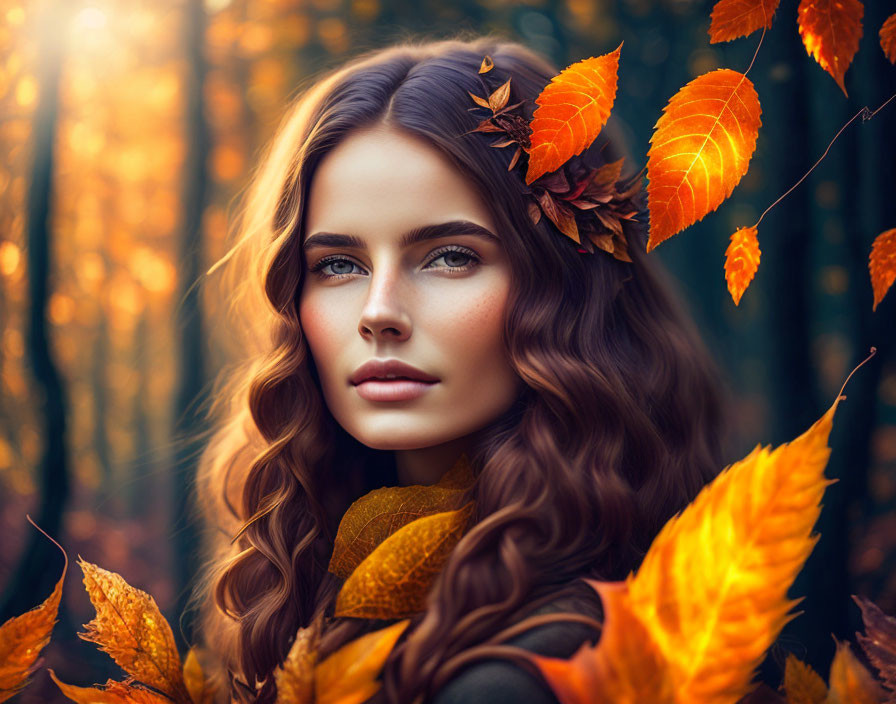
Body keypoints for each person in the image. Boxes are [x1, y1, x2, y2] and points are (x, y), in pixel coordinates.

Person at [189, 32, 731, 704]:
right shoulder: (330, 576)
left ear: (565, 283)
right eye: (338, 265)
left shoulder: (539, 666)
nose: (379, 311)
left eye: (450, 256)